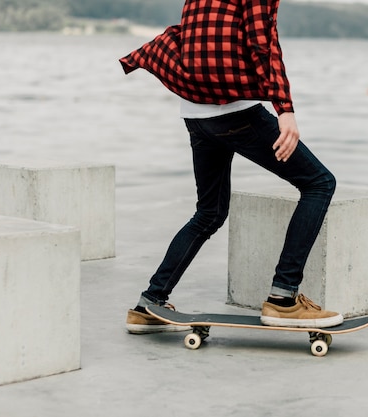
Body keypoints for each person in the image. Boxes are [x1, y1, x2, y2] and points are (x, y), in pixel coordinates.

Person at [120, 0, 343, 334]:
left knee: (208, 213)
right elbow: (262, 42)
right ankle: (283, 298)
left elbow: (196, 35)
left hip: (194, 113)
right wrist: (285, 109)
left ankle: (149, 303)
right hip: (236, 112)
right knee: (319, 183)